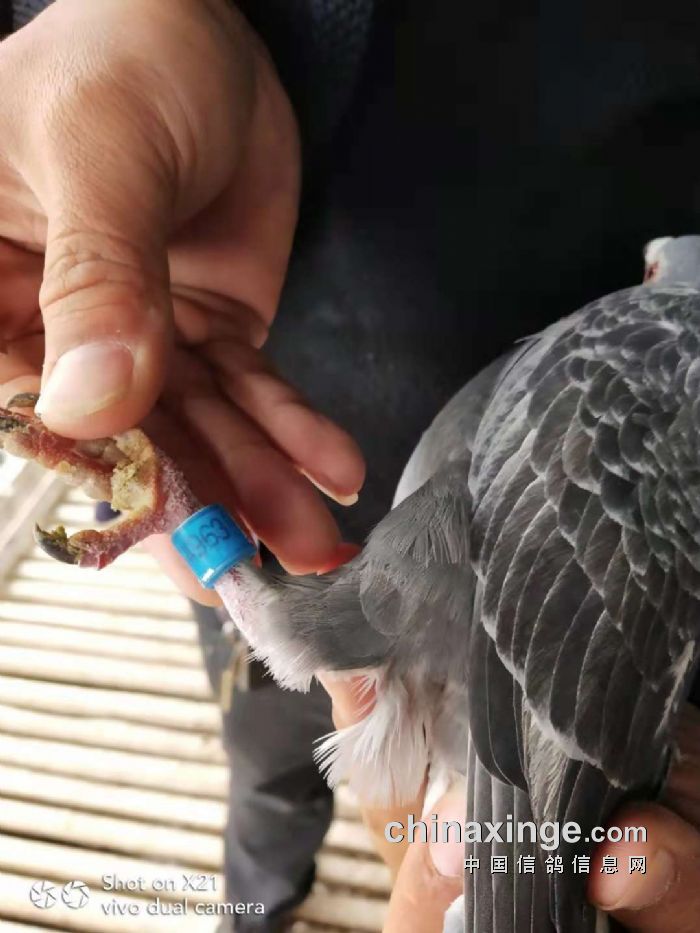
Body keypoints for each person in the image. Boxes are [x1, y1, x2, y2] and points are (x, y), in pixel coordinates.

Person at [0, 2, 699, 931]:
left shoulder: (644, 368)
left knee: (381, 778)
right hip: (269, 434)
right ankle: (258, 902)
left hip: (424, 651)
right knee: (276, 752)